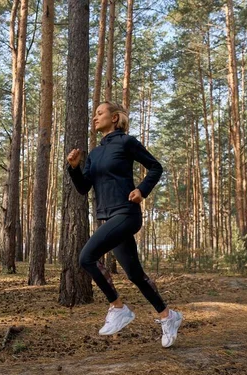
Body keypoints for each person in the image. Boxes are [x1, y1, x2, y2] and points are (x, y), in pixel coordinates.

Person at [66, 101, 183, 348]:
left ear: (115, 118)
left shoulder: (126, 142)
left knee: (86, 257)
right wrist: (74, 169)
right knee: (135, 274)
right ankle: (167, 315)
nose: (95, 118)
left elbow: (155, 166)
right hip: (108, 218)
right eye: (94, 114)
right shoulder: (95, 154)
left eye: (100, 113)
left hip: (126, 214)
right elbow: (83, 188)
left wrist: (142, 189)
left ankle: (117, 307)